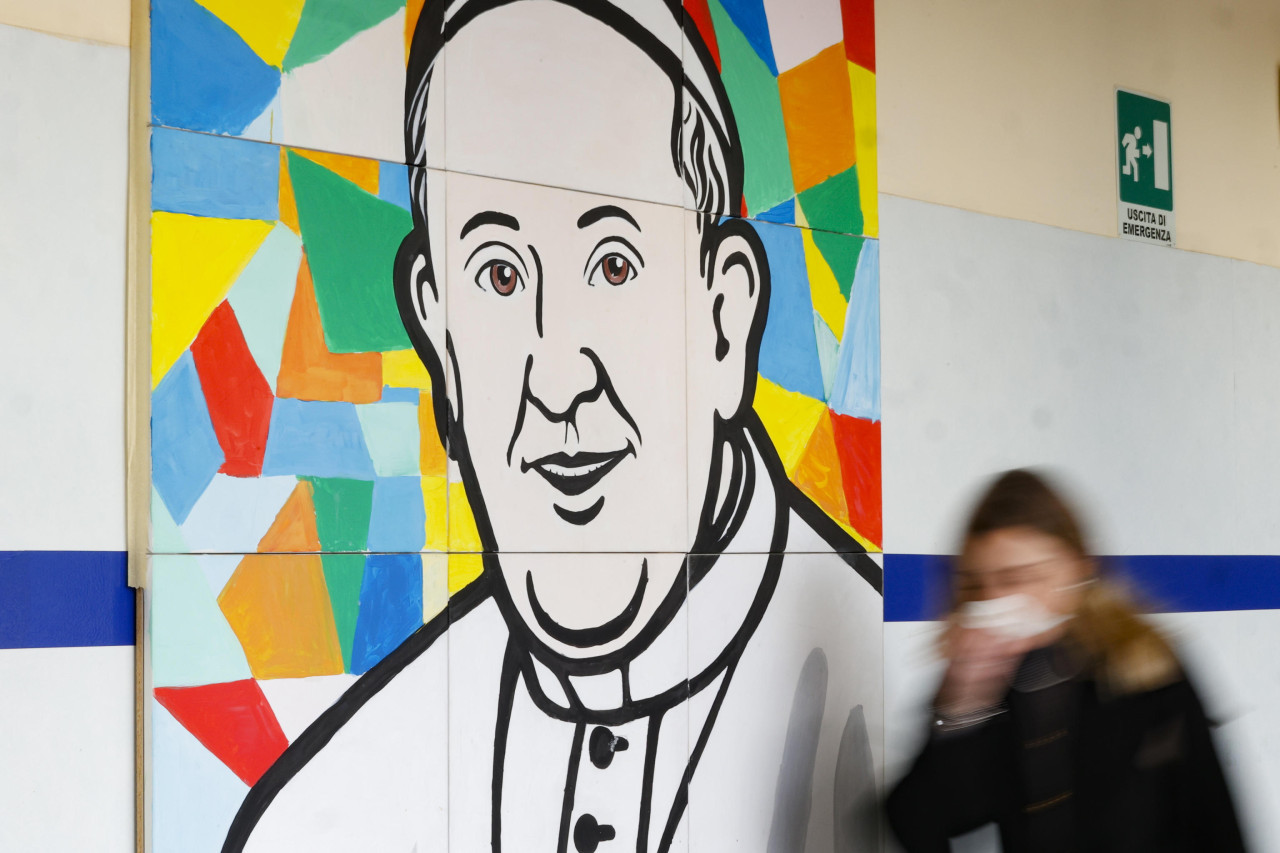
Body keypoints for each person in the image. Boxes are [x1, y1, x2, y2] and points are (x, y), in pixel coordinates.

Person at [223, 2, 883, 851]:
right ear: (436, 332)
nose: (557, 375)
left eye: (613, 263)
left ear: (724, 317)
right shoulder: (324, 810)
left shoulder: (869, 725)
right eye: (497, 273)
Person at [886, 469, 1245, 852]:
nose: (993, 600)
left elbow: (1215, 820)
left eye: (1016, 578)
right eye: (976, 584)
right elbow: (920, 823)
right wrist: (961, 708)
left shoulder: (1145, 669)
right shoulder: (987, 687)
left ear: (1076, 570)